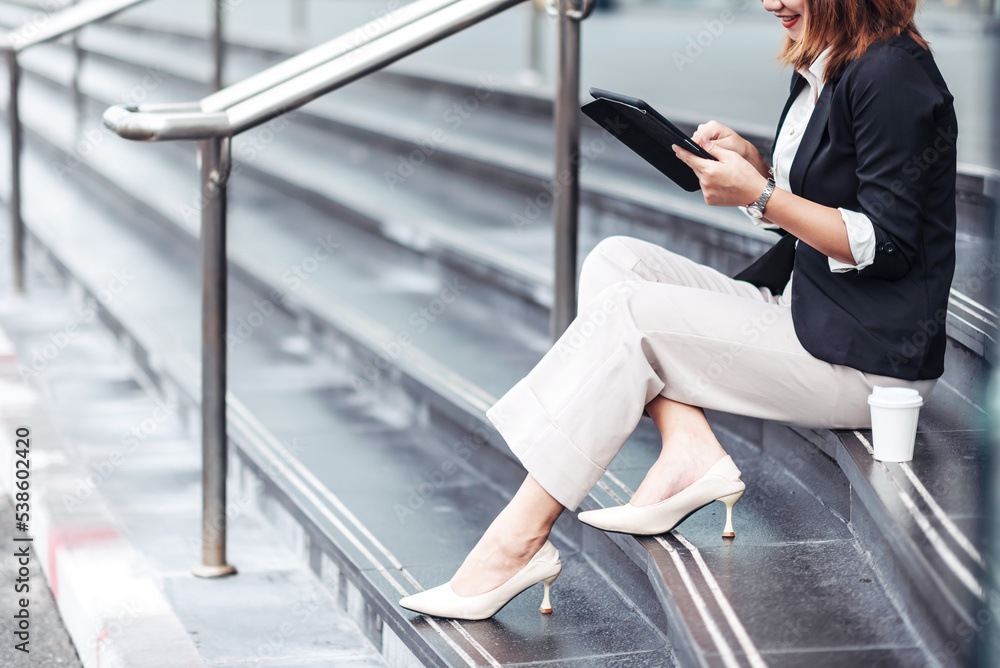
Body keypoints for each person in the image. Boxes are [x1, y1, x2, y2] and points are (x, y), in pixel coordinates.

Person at [400, 0, 957, 621]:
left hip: (866, 359)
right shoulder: (828, 65)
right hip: (815, 312)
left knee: (633, 314)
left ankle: (517, 543)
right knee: (616, 262)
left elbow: (888, 244)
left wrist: (765, 197)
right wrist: (756, 170)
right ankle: (688, 447)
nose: (771, 2)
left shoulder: (891, 74)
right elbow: (833, 200)